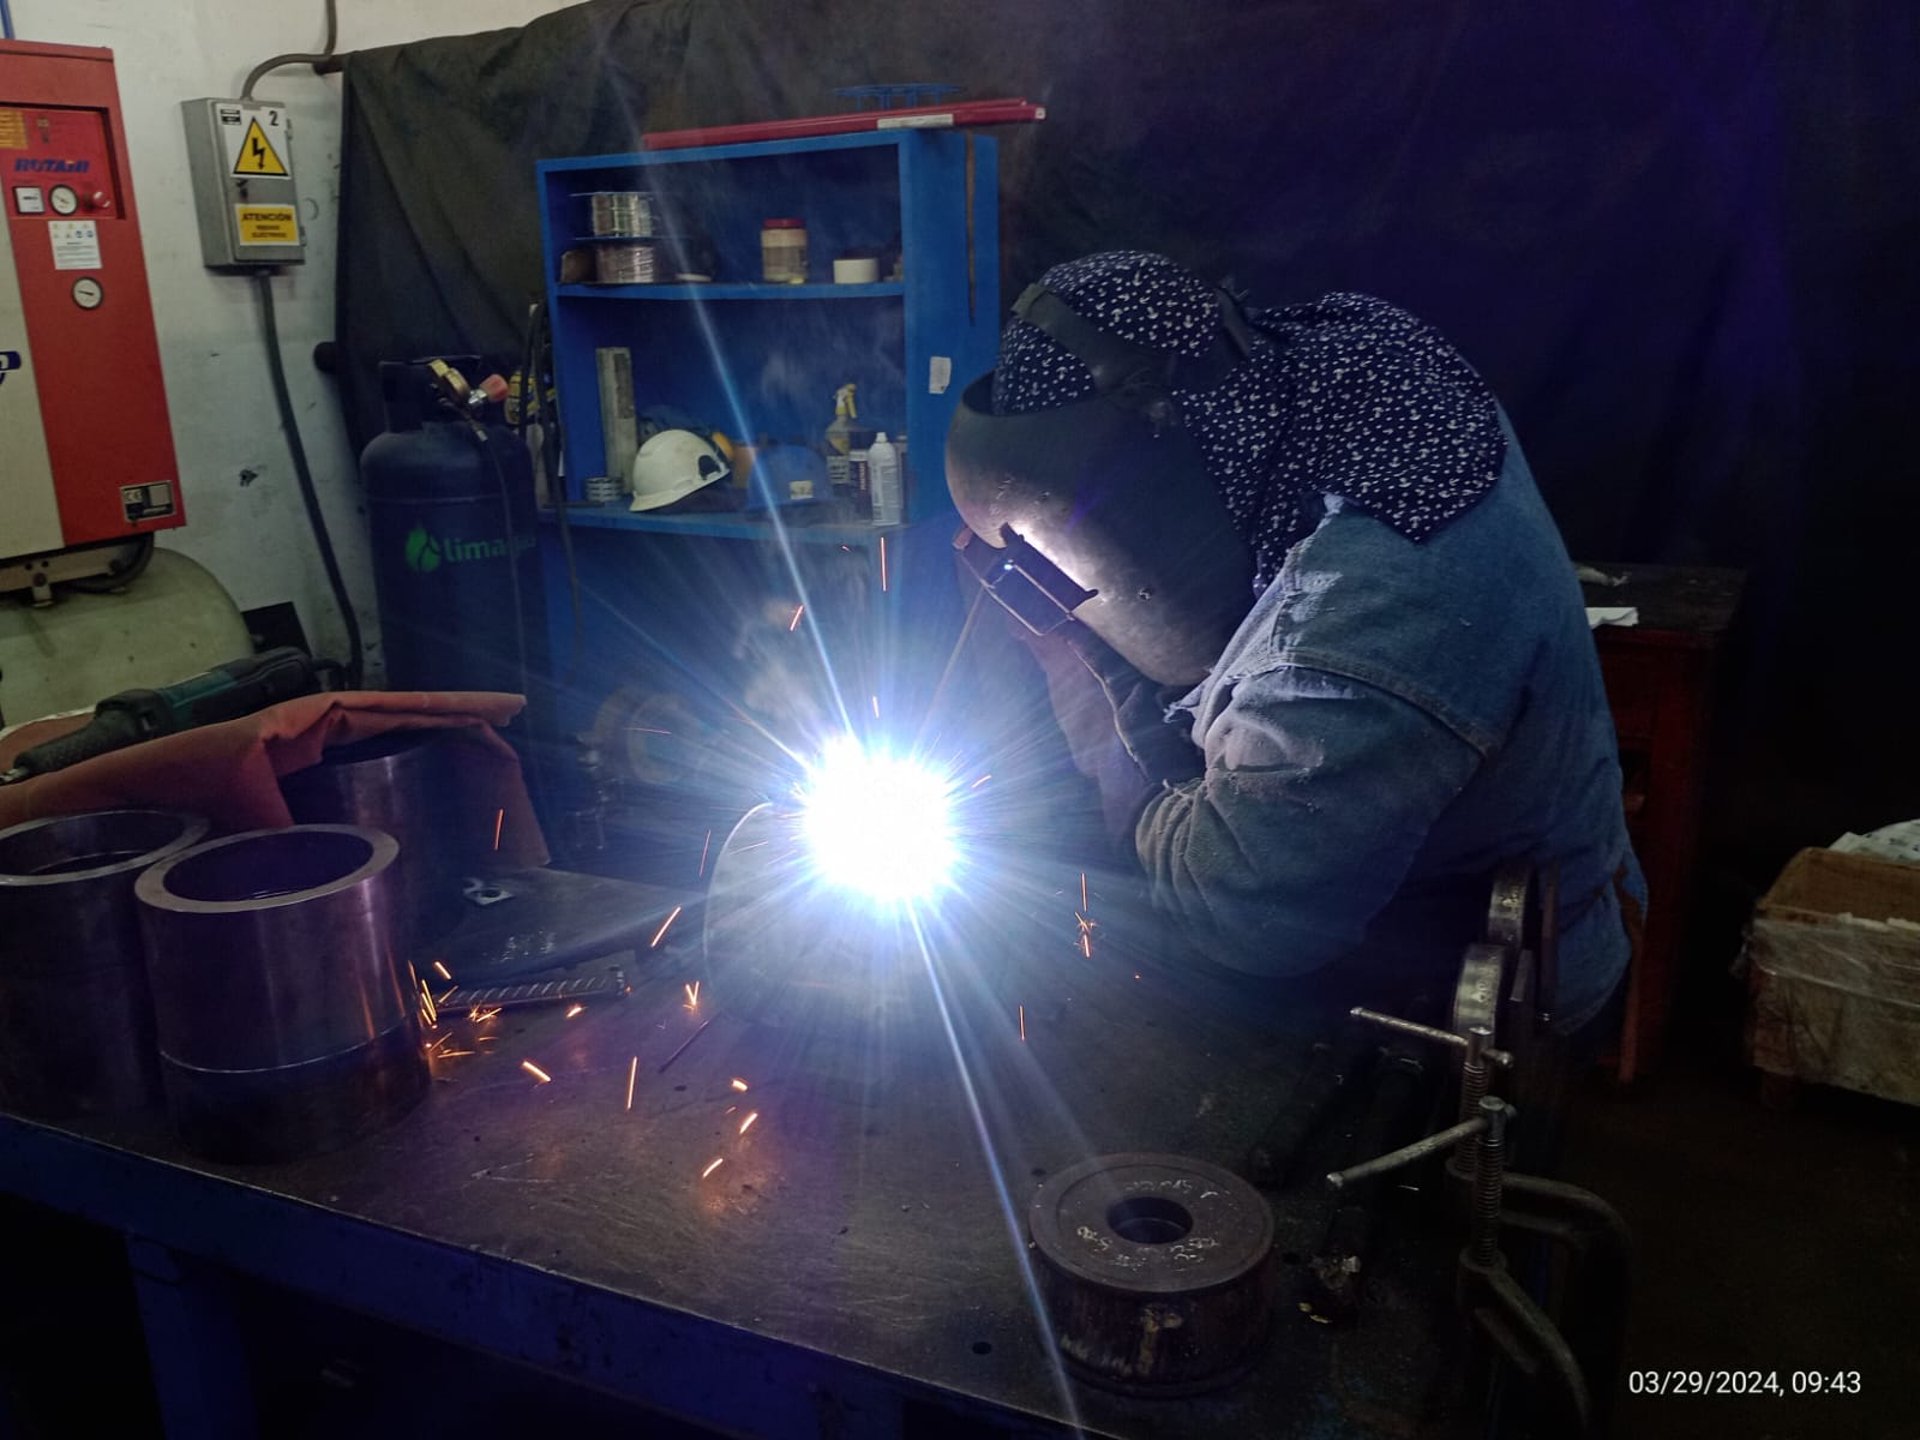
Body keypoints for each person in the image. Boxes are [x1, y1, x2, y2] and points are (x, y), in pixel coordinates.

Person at [945, 250, 1641, 1041]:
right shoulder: (1343, 355)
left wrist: (1084, 681)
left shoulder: (1369, 623)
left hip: (1467, 1001)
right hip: (1382, 886)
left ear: (1165, 450)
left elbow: (1242, 915)